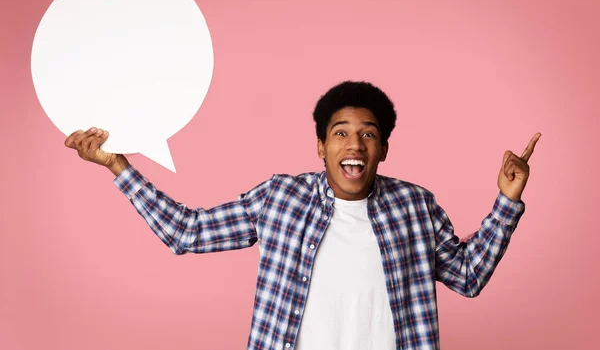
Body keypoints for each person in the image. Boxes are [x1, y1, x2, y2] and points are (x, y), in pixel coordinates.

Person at [64, 81, 541, 350]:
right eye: (340, 133)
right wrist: (117, 164)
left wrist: (506, 202)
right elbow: (187, 231)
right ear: (321, 146)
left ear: (384, 149)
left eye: (368, 134)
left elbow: (469, 277)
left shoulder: (415, 206)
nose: (354, 144)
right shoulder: (280, 198)